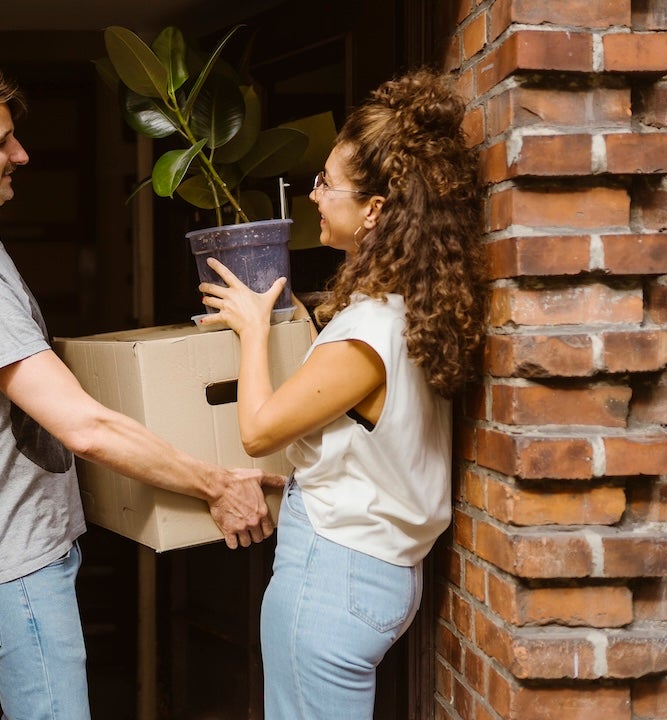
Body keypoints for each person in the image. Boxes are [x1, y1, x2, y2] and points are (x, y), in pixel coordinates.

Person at [0, 61, 284, 720]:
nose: (22, 154)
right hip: (17, 564)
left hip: (30, 550)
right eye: (2, 142)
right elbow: (84, 427)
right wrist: (215, 484)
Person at [197, 68, 485, 719]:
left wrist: (250, 331)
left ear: (375, 209)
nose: (314, 193)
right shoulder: (410, 308)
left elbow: (259, 430)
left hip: (333, 578)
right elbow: (371, 438)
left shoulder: (367, 331)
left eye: (328, 182)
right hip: (374, 572)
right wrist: (310, 476)